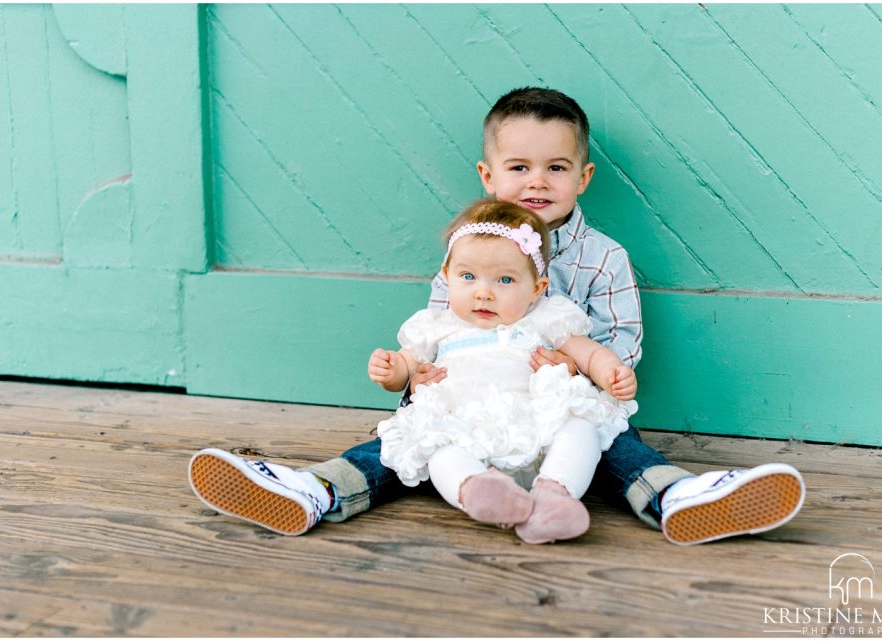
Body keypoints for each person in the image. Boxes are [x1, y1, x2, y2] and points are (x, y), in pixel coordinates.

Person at [188, 87, 805, 545]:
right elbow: (436, 330)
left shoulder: (603, 258)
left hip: (557, 408)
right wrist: (412, 374)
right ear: (489, 175)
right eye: (518, 167)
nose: (537, 182)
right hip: (469, 407)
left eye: (556, 168)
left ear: (582, 177)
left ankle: (677, 496)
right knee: (408, 443)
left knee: (613, 440)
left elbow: (620, 344)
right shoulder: (467, 254)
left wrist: (583, 364)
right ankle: (316, 489)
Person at [369, 198, 638, 543]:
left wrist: (611, 372)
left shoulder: (545, 317)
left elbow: (589, 354)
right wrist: (391, 370)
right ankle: (477, 491)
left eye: (505, 280)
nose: (484, 293)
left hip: (540, 430)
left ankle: (554, 494)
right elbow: (405, 368)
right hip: (465, 427)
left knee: (581, 424)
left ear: (536, 289)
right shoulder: (436, 325)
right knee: (437, 444)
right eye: (468, 276)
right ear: (446, 276)